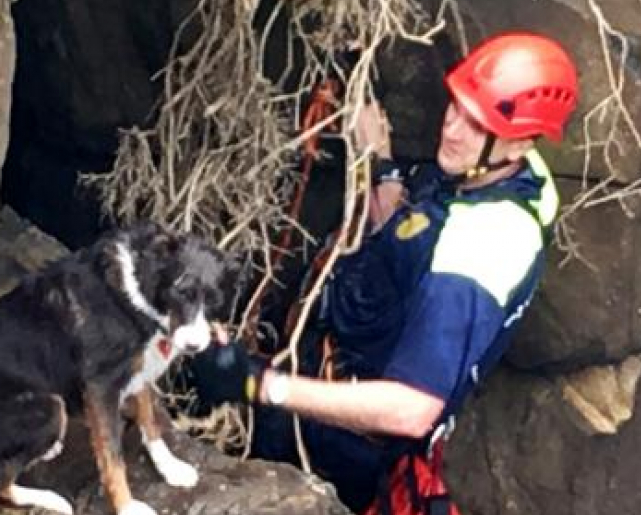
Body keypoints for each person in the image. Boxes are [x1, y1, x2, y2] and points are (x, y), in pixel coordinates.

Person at [191, 32, 580, 514]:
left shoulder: (483, 248)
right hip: (331, 364)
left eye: (476, 125)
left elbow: (413, 409)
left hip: (343, 436)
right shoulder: (501, 172)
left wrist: (260, 385)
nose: (453, 130)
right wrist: (381, 164)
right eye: (455, 107)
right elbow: (413, 238)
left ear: (521, 139)